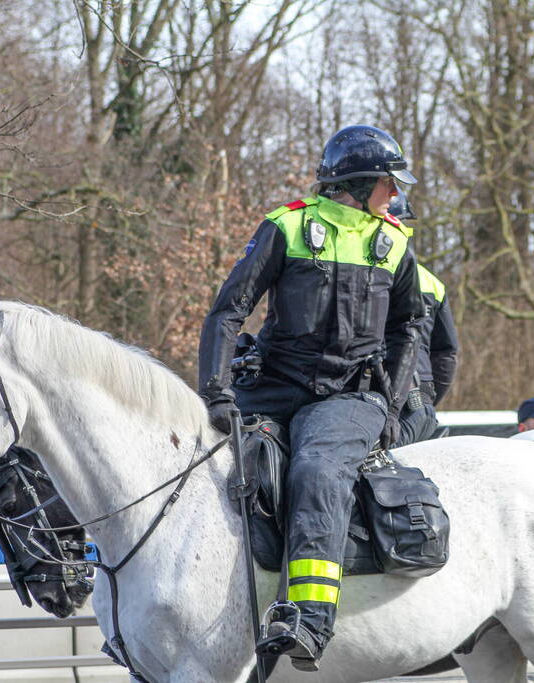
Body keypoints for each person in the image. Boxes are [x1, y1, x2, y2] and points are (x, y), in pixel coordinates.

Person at [198, 124, 424, 670]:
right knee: (194, 452)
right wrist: (215, 391)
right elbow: (230, 309)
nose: (394, 195)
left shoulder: (393, 242)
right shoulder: (285, 226)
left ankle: (309, 619)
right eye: (388, 184)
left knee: (317, 471)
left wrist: (391, 407)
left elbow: (411, 327)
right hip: (274, 384)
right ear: (359, 181)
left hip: (349, 396)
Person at [386, 193, 459, 447]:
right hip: (419, 404)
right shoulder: (432, 282)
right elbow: (446, 355)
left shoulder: (365, 273)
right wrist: (428, 398)